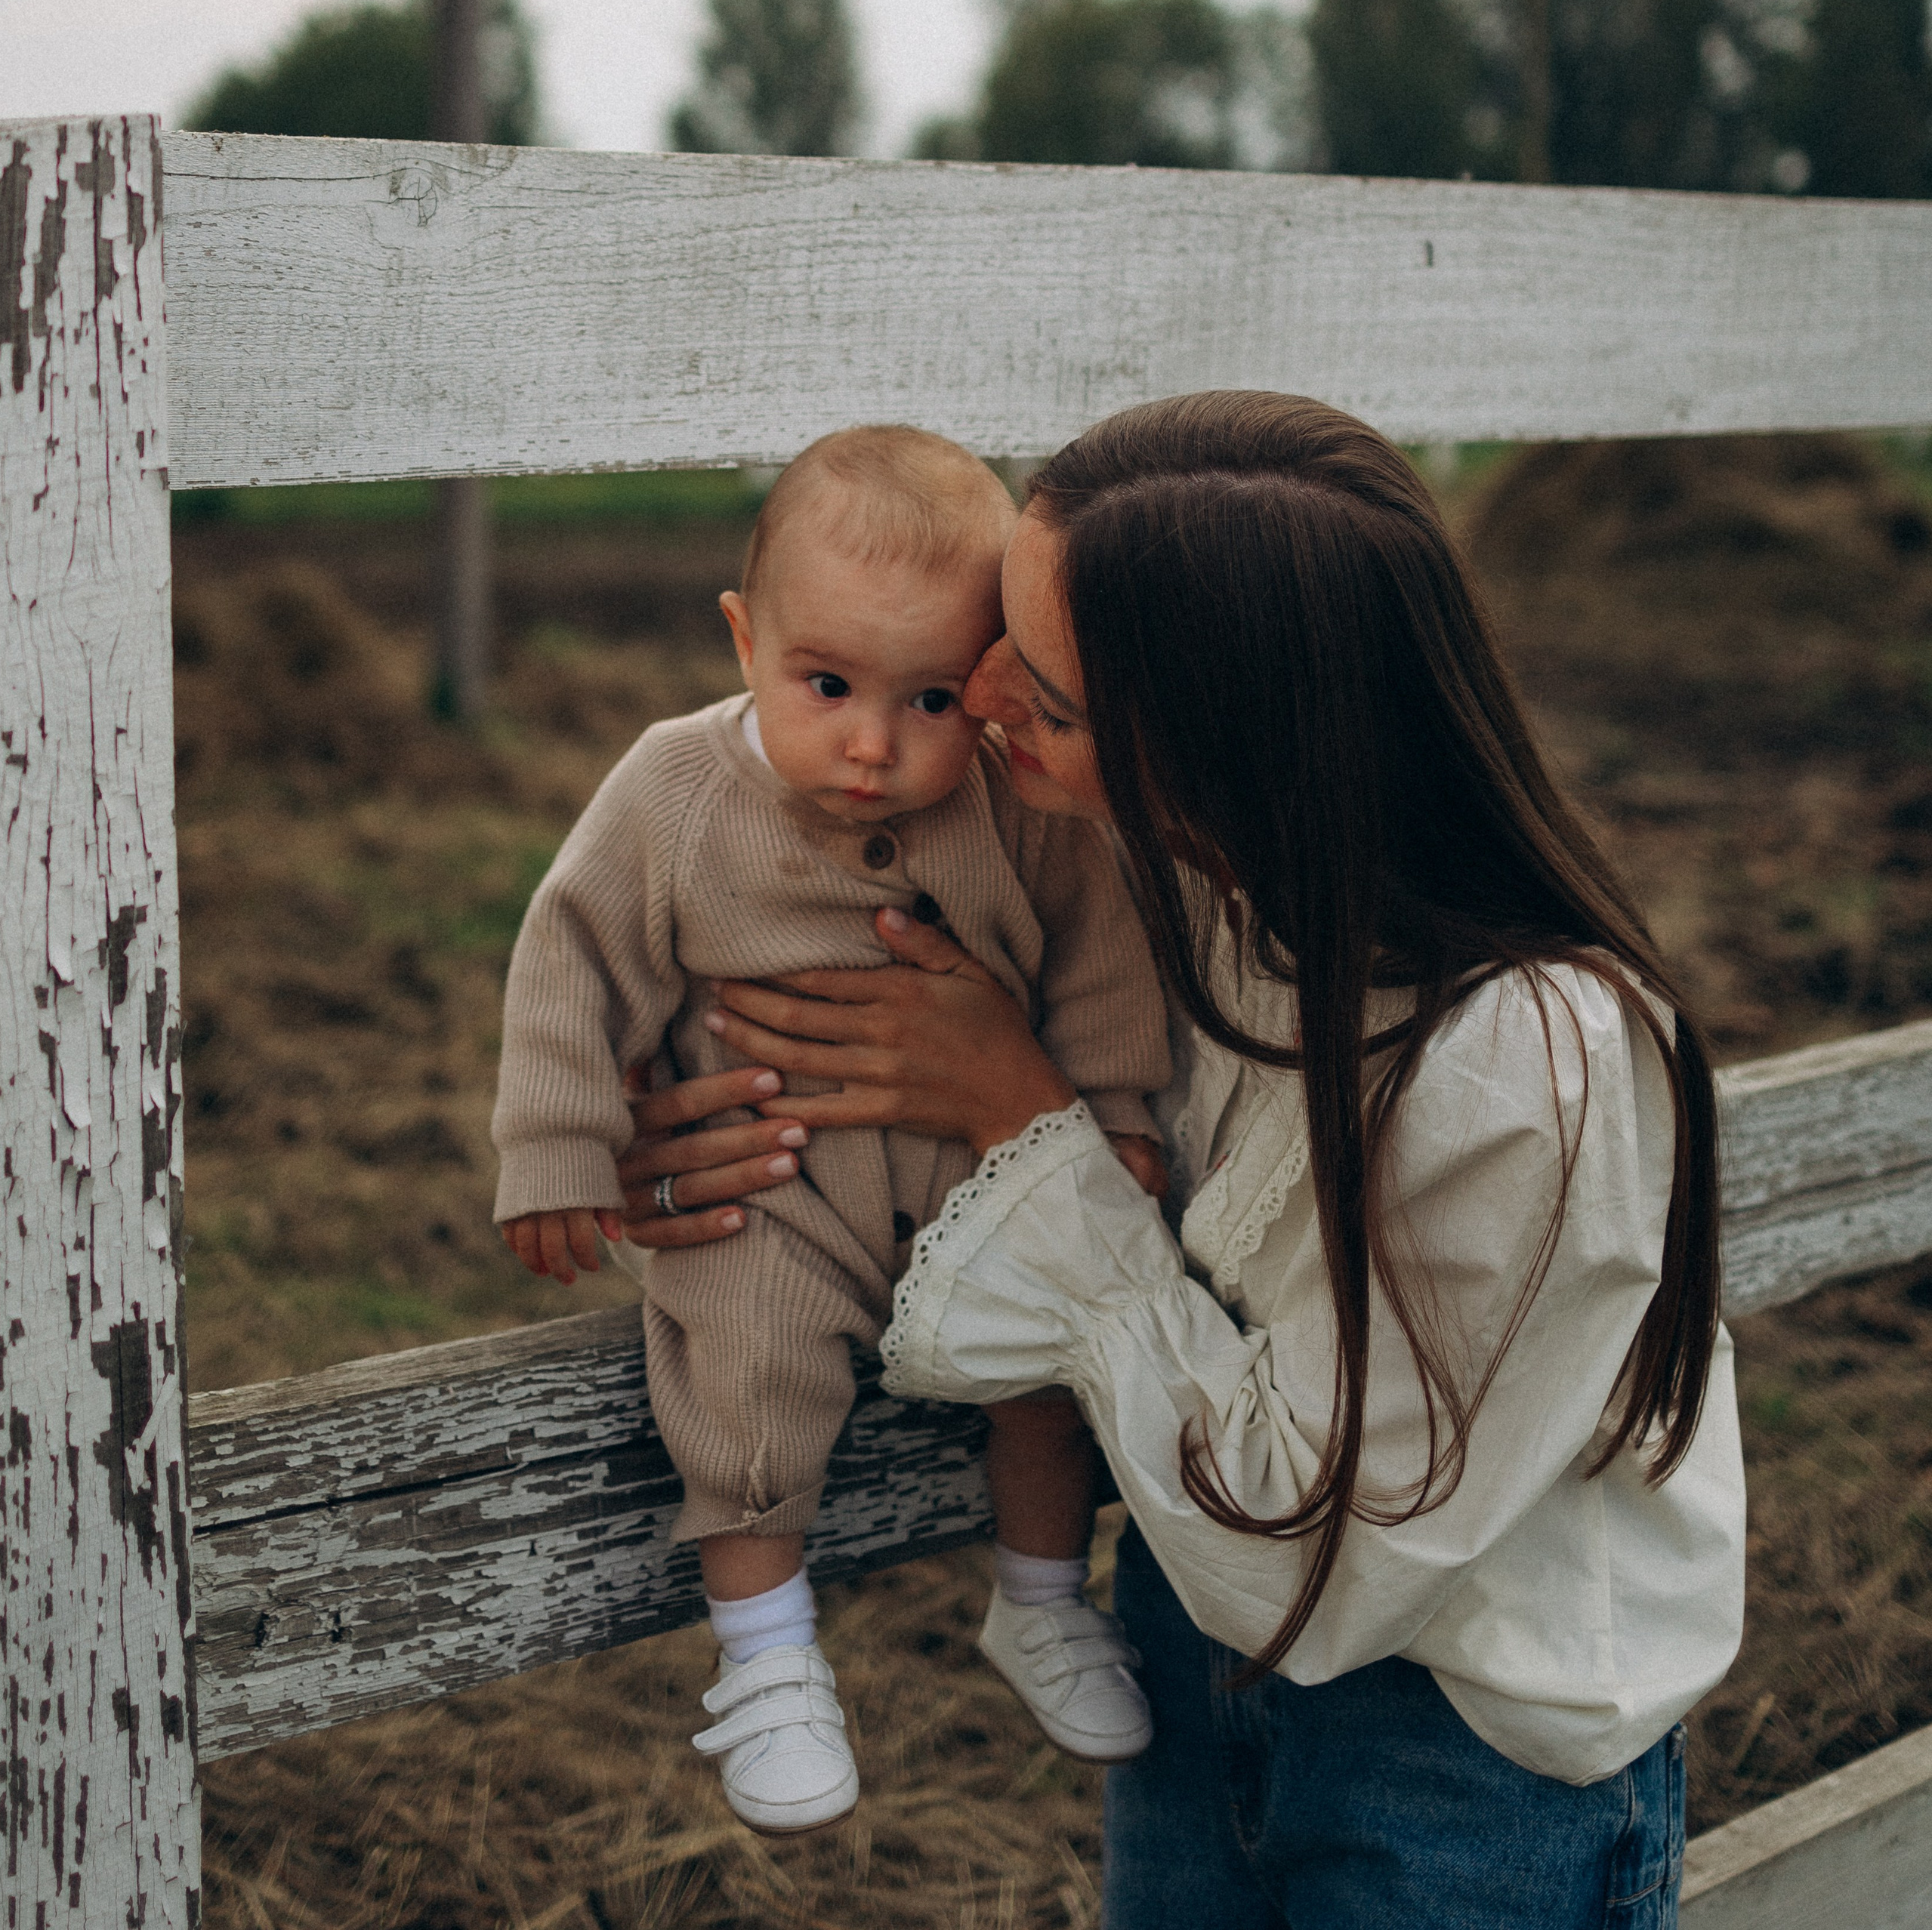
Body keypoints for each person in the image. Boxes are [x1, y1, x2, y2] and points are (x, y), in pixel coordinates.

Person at [610, 393, 1748, 1925]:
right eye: (1003, 621)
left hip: (1463, 1754)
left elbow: (1320, 1564)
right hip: (1174, 1658)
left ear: (1220, 749)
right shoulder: (1154, 884)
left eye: (1052, 695)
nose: (985, 686)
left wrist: (1025, 1123)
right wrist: (703, 1130)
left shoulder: (1522, 1068)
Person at [492, 425, 1171, 1838]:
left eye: (931, 696)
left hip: (989, 1181)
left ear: (985, 675)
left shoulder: (1020, 808)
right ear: (745, 640)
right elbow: (575, 957)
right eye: (827, 685)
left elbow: (1102, 961)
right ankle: (768, 1653)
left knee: (1053, 1360)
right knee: (740, 1363)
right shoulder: (673, 793)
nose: (874, 744)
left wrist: (1115, 1123)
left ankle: (1045, 1595)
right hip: (774, 1189)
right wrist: (559, 1148)